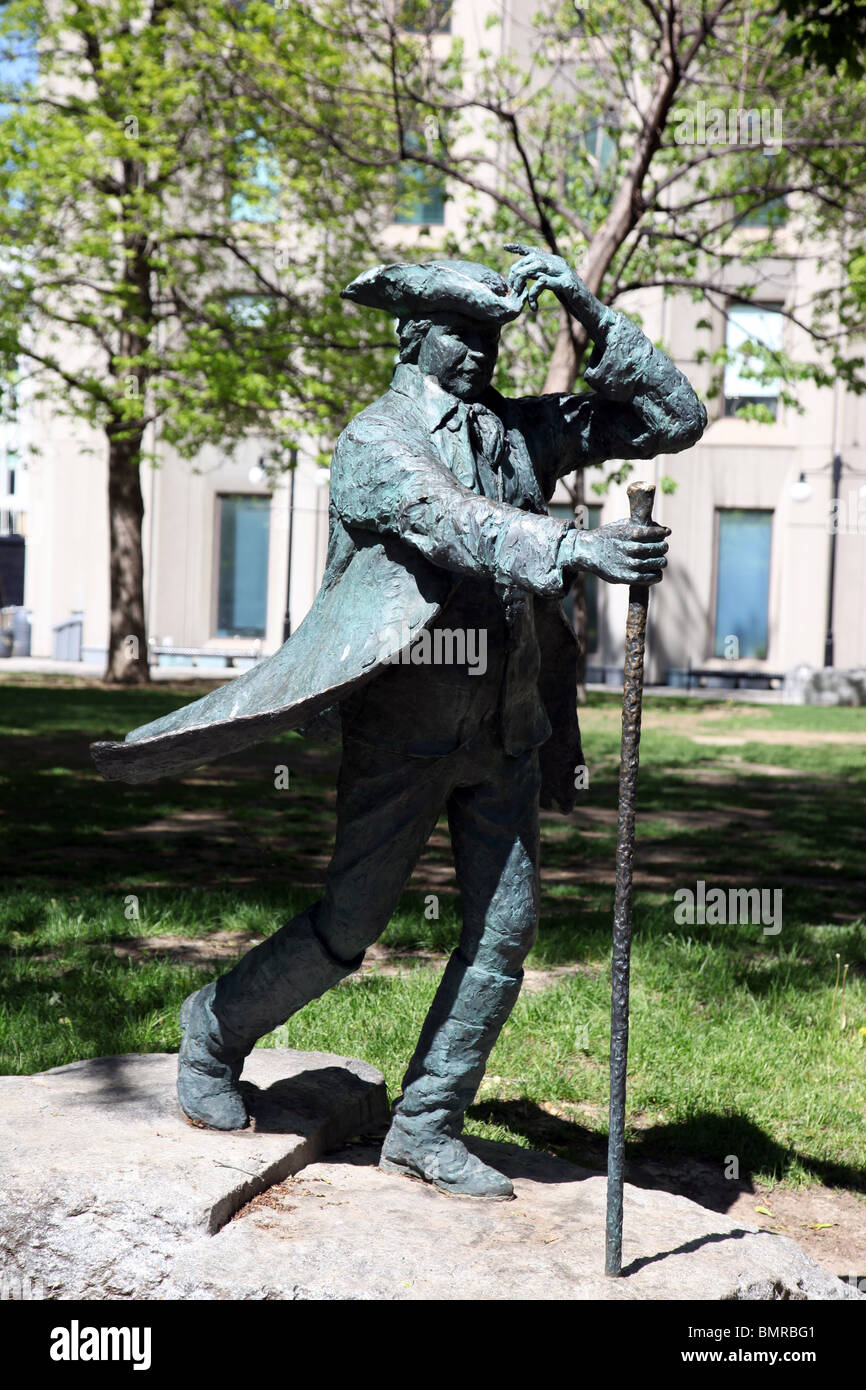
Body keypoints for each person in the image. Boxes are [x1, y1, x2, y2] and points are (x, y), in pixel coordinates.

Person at [91, 246, 706, 1199]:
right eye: (462, 336)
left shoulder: (516, 433)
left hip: (501, 724)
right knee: (351, 927)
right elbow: (455, 519)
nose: (481, 356)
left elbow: (675, 419)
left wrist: (589, 308)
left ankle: (426, 1123)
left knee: (505, 933)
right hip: (405, 726)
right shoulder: (376, 442)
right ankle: (213, 1027)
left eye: (495, 338)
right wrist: (579, 544)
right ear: (414, 337)